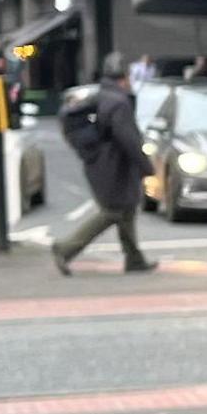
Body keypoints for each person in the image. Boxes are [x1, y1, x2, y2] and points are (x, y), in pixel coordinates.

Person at [47, 55, 151, 273]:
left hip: (104, 162)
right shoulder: (118, 102)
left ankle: (134, 258)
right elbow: (128, 138)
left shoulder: (103, 95)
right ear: (124, 78)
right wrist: (146, 166)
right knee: (113, 211)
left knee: (127, 208)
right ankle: (66, 249)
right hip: (113, 164)